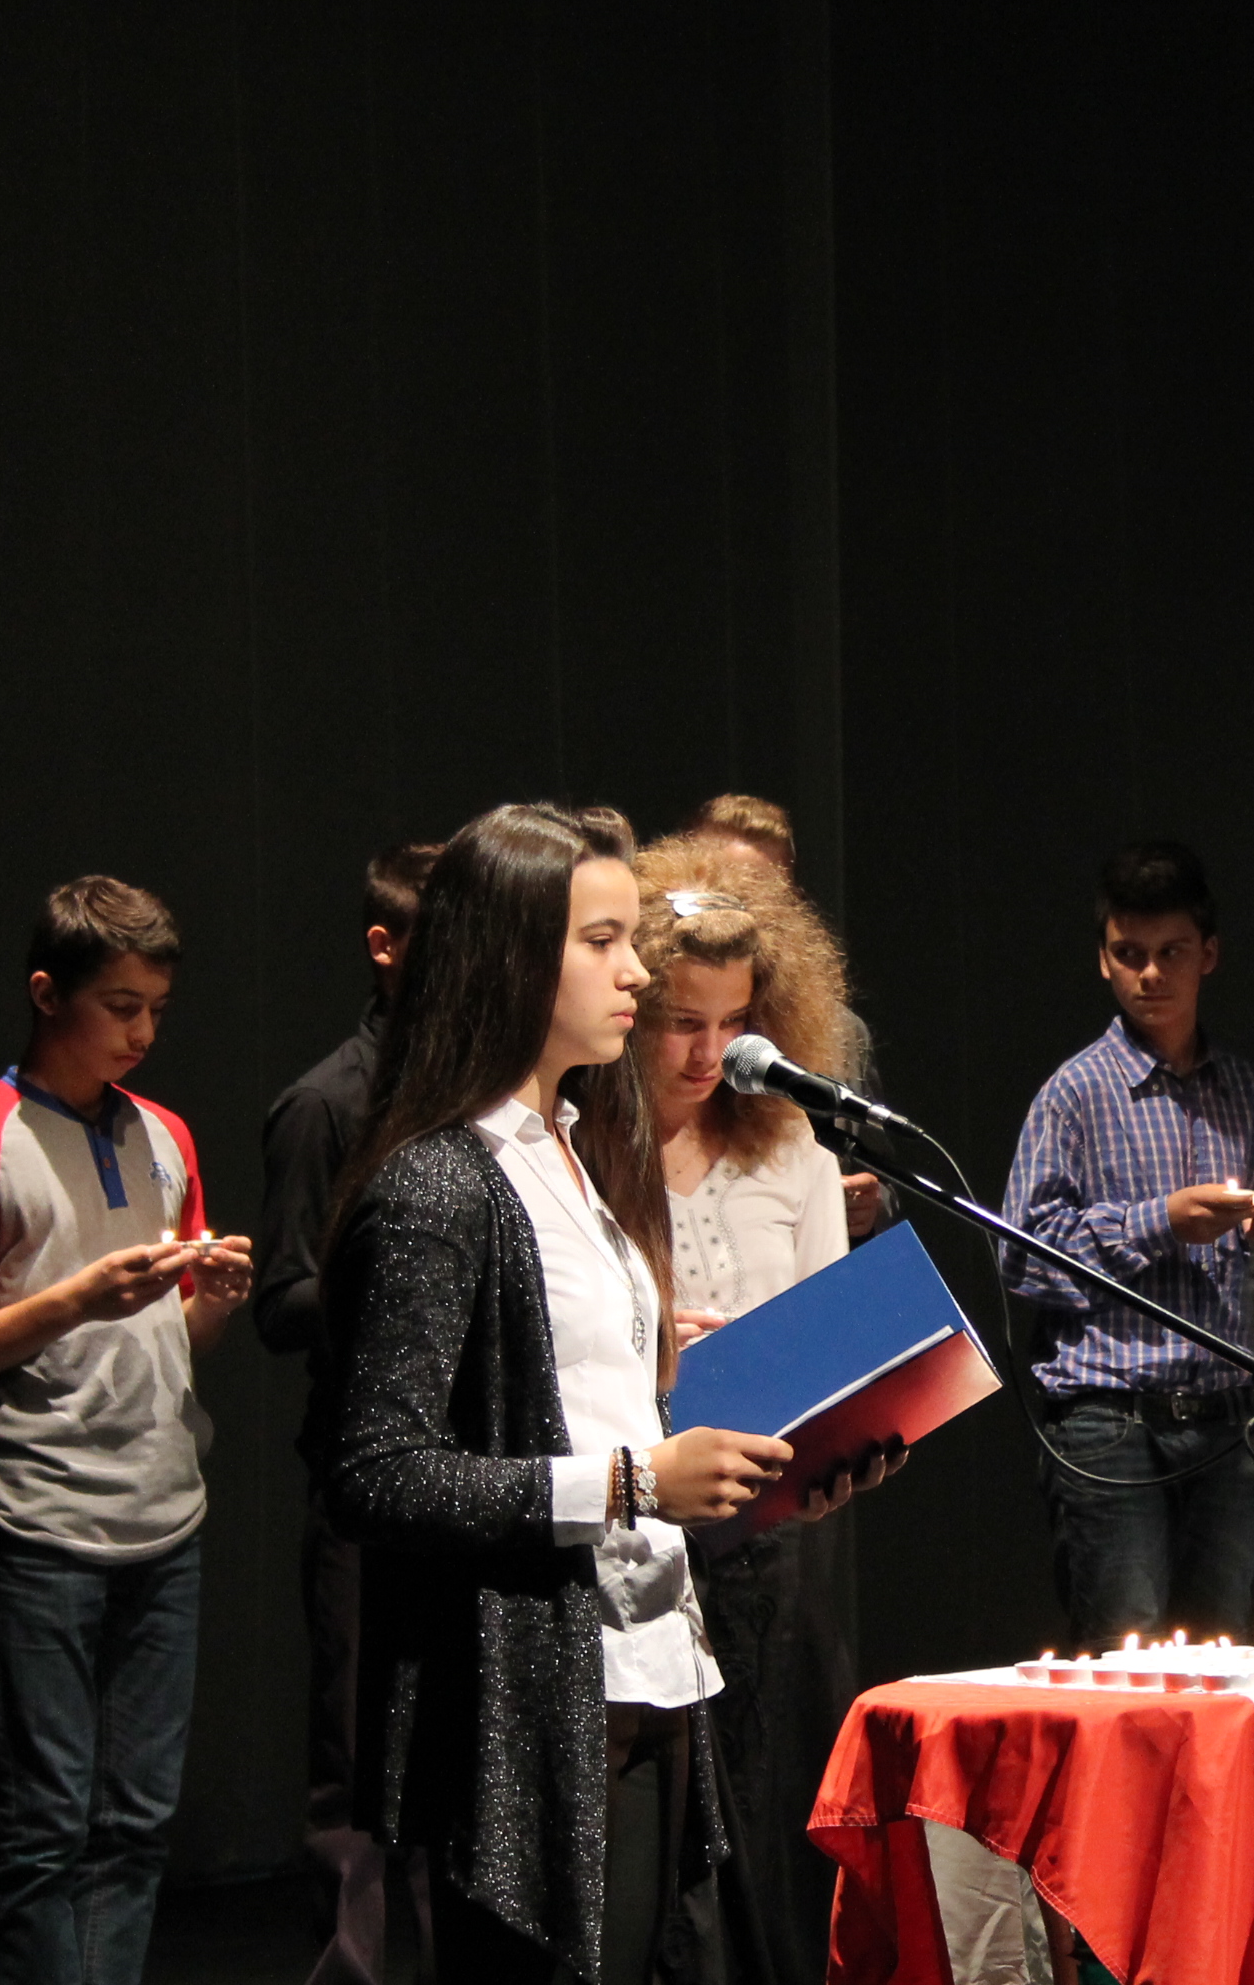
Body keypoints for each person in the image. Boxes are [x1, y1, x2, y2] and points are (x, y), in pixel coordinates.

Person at [320, 802, 843, 1984]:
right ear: (510, 958)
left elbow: (599, 1408)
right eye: (602, 942)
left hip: (651, 1656)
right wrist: (634, 1481)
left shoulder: (576, 1151)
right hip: (535, 1695)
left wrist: (768, 1475)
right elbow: (377, 1473)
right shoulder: (440, 1182)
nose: (637, 971)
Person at [0, 876, 256, 1985]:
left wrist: (209, 1304)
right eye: (120, 1006)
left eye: (157, 1009)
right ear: (49, 994)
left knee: (134, 1820)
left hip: (163, 1512)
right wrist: (73, 1300)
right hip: (40, 1521)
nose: (142, 1033)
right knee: (46, 1823)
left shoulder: (163, 1134)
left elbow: (158, 1347)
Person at [628, 834, 900, 1985]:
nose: (708, 1053)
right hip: (630, 1516)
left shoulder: (789, 1140)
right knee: (653, 1836)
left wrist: (852, 1439)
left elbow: (829, 1339)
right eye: (679, 1023)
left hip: (758, 1526)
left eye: (733, 1023)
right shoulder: (586, 1147)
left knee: (757, 1797)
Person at [1002, 840, 1254, 1649]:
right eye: (1130, 955)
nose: (1151, 974)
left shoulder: (1250, 1094)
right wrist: (1159, 1220)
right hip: (1112, 1421)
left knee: (1221, 1659)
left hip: (1227, 1418)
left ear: (1209, 955)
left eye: (1172, 953)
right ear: (1104, 960)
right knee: (1124, 1663)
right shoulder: (1075, 1093)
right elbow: (1022, 1254)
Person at [255, 840, 441, 1985]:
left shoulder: (487, 1096)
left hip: (474, 1481)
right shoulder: (325, 1104)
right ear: (385, 946)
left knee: (454, 1767)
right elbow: (282, 1302)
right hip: (365, 1486)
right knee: (359, 1764)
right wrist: (406, 1282)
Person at [685, 791, 889, 1238]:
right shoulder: (644, 1024)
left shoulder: (837, 1030)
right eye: (729, 890)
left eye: (766, 894)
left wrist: (871, 1202)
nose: (748, 911)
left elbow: (877, 1172)